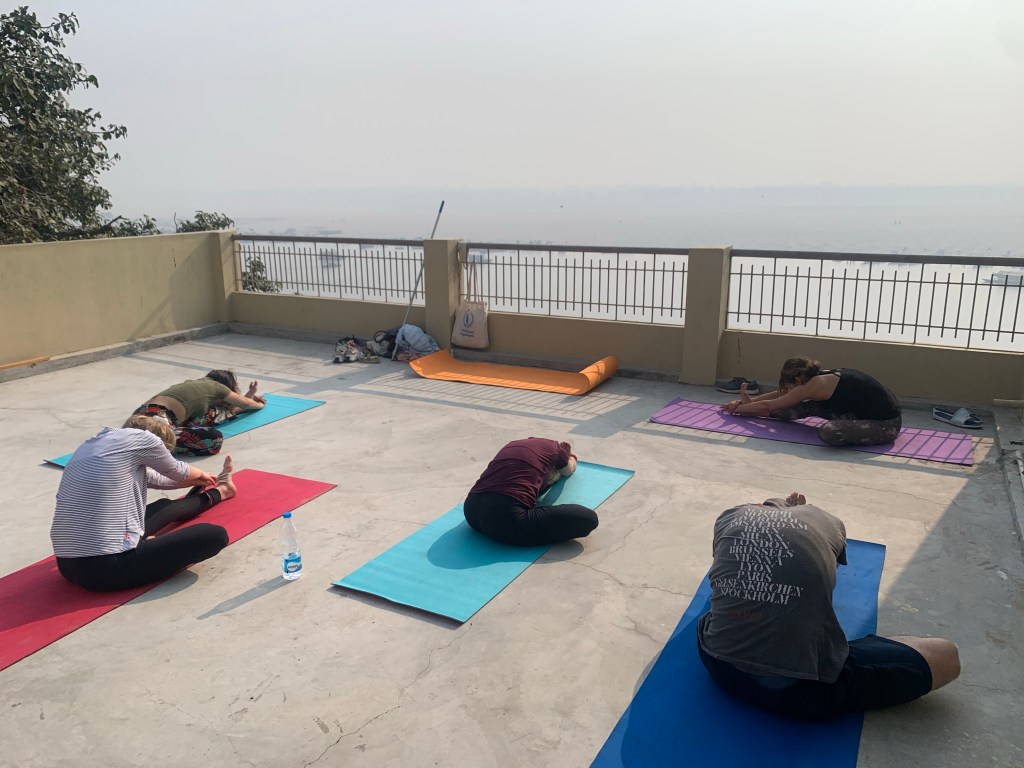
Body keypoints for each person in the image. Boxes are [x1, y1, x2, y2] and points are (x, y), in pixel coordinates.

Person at [697, 493, 960, 720]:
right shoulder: (829, 523)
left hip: (716, 661)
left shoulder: (731, 516)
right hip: (801, 689)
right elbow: (831, 571)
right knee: (946, 655)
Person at [51, 415, 235, 592]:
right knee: (215, 534)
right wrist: (201, 475)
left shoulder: (97, 444)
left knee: (163, 505)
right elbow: (179, 472)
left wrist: (198, 481)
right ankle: (141, 546)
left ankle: (221, 491)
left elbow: (159, 479)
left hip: (66, 565)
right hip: (106, 568)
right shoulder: (146, 440)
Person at [722, 356, 901, 447]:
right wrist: (747, 403)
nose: (789, 388)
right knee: (792, 407)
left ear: (797, 380)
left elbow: (771, 404)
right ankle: (749, 408)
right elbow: (781, 395)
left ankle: (856, 430)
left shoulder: (813, 385)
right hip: (853, 412)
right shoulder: (815, 379)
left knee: (829, 432)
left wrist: (739, 409)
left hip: (885, 425)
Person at [463, 437, 598, 546]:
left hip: (470, 511)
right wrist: (572, 458)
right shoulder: (557, 449)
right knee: (589, 519)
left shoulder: (514, 444)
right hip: (505, 521)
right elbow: (568, 470)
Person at [132, 369, 266, 456]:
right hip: (157, 423)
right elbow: (245, 403)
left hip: (138, 418)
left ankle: (150, 442)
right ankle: (154, 445)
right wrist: (259, 404)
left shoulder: (194, 385)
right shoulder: (218, 387)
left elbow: (221, 412)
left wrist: (249, 396)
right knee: (214, 439)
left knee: (205, 416)